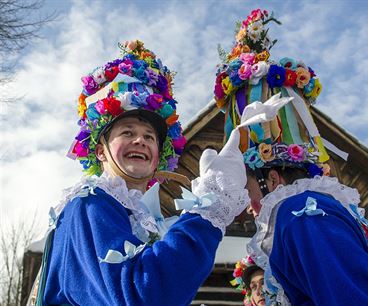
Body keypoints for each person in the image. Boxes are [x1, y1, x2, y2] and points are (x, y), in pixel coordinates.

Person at [214, 9, 368, 306]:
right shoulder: (314, 208)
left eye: (248, 190)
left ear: (272, 178)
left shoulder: (302, 213)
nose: (248, 206)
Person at [33, 40, 250, 306]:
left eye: (149, 137)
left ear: (159, 157)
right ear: (101, 152)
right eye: (127, 133)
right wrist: (210, 205)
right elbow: (141, 296)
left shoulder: (135, 214)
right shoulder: (91, 203)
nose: (141, 141)